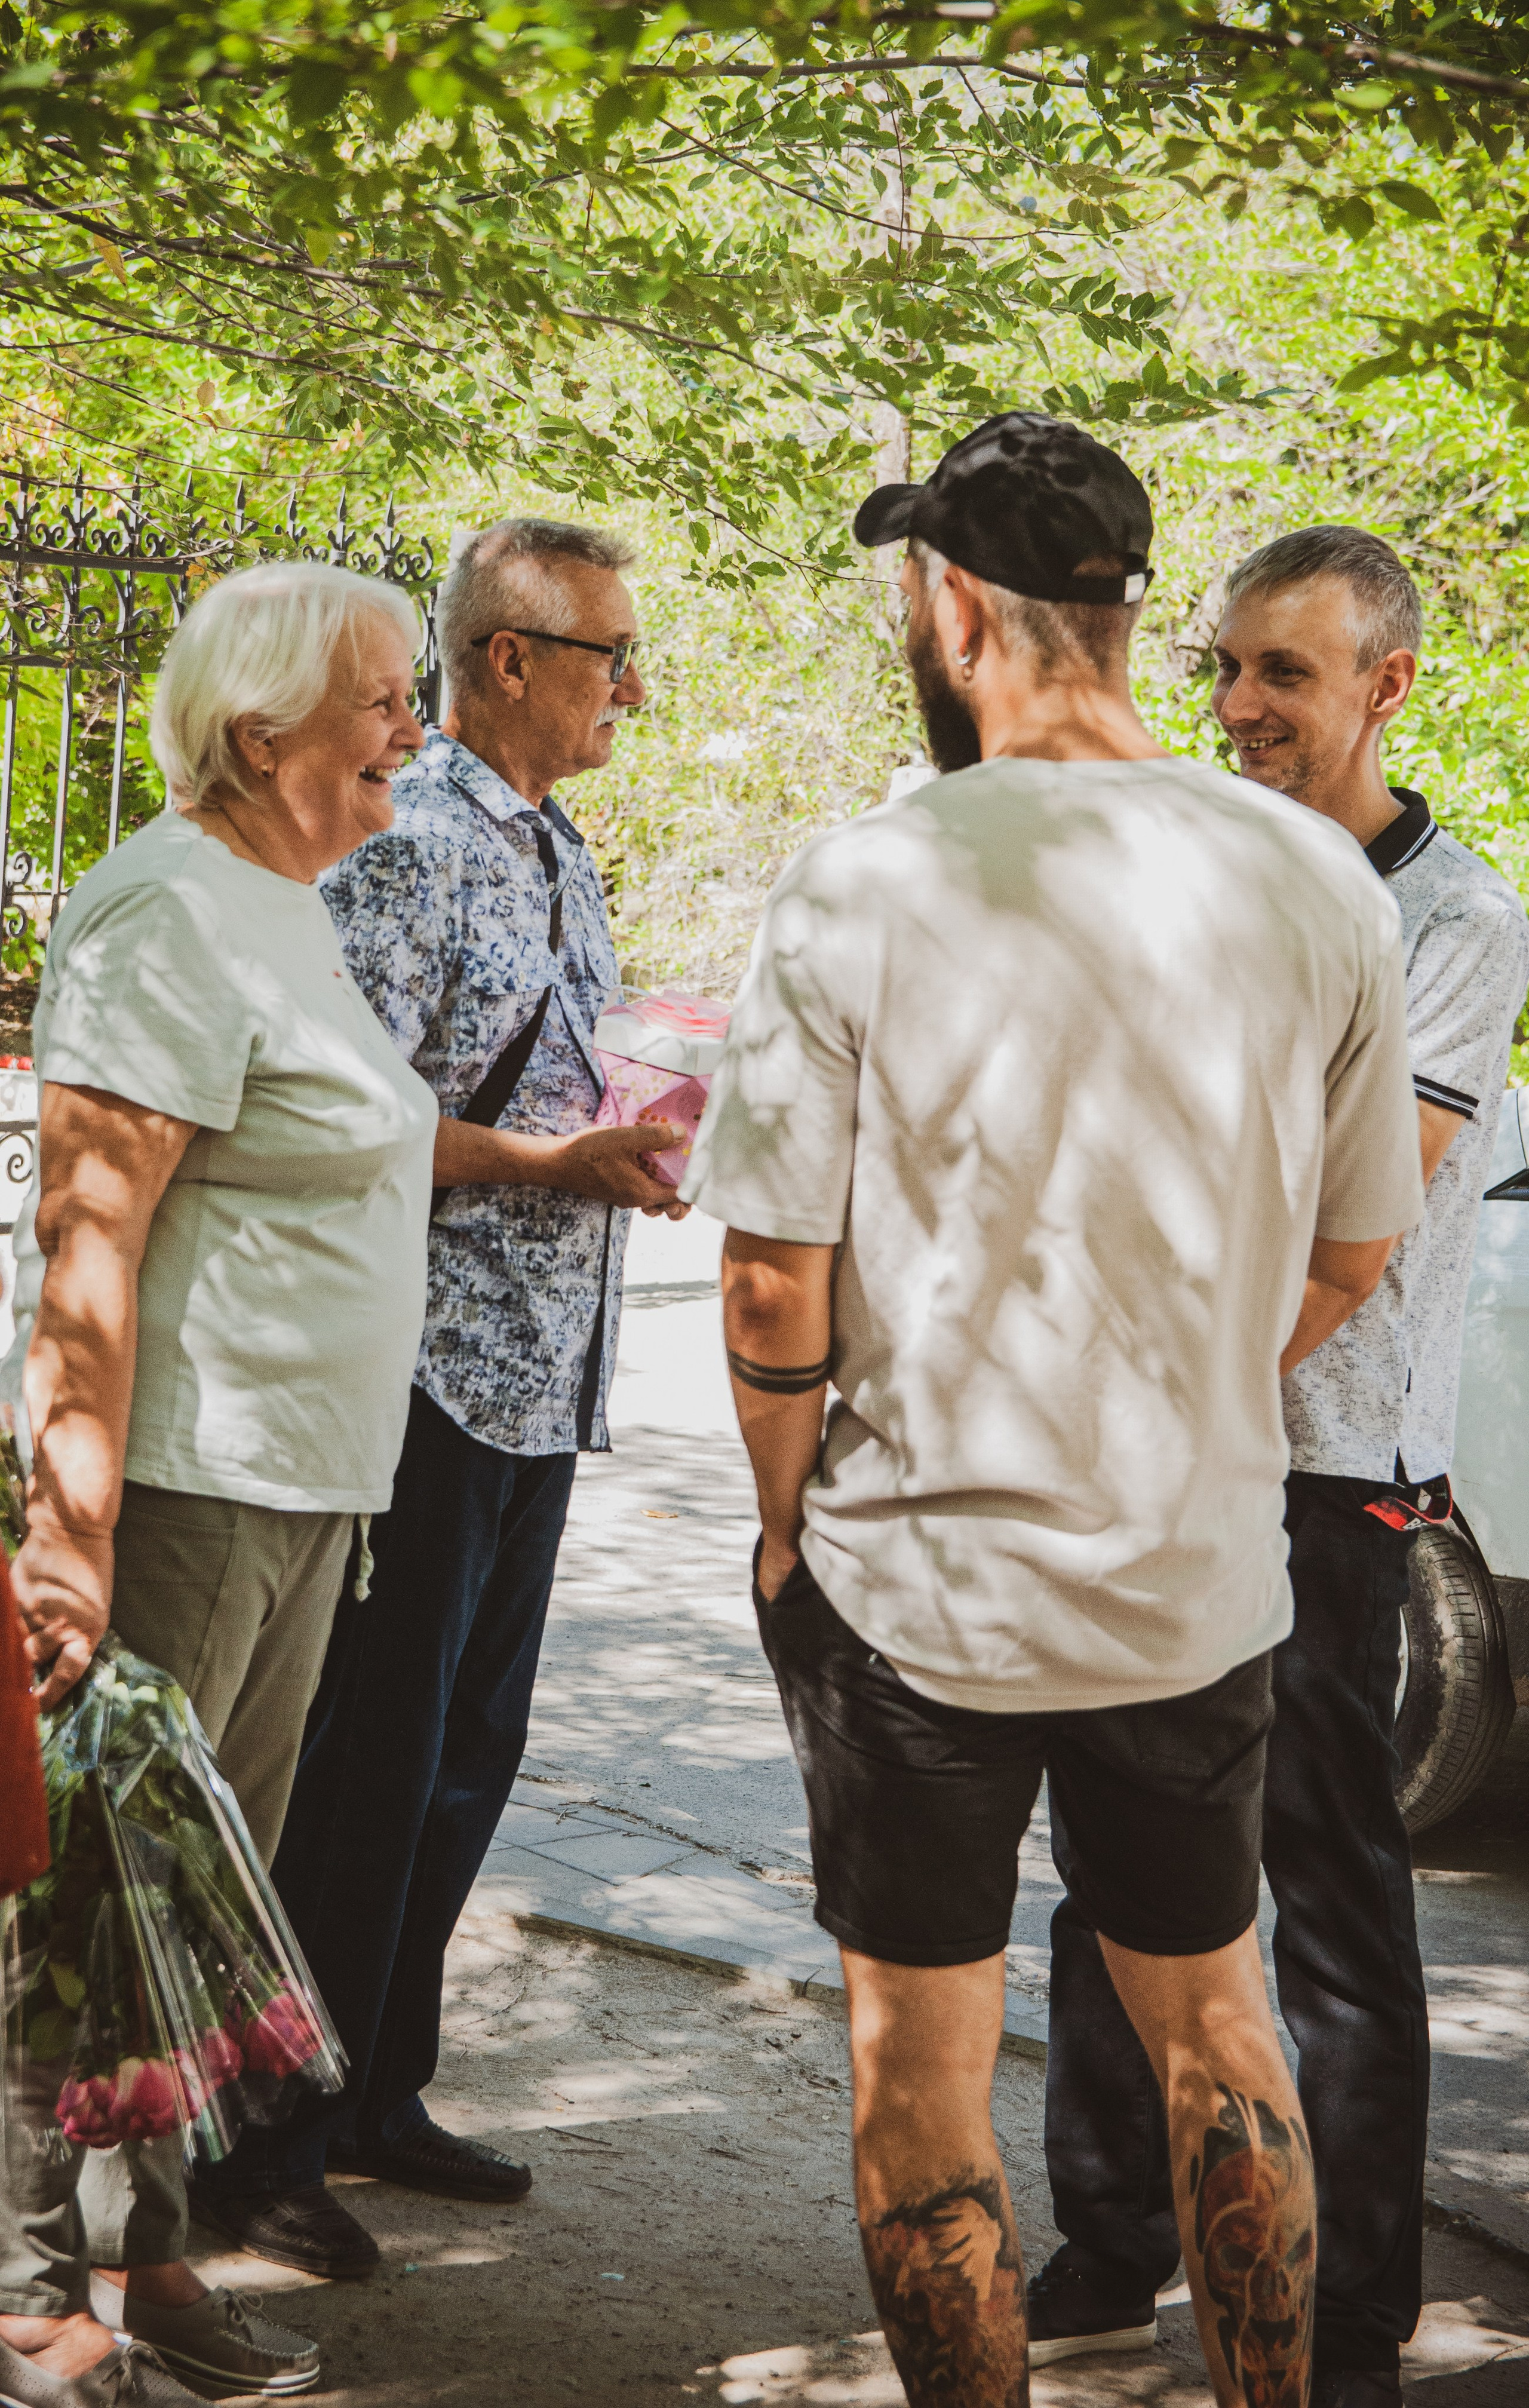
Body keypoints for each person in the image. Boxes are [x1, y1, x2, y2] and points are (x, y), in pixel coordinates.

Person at [681, 413, 1427, 2408]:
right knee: (1223, 2032)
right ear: (1120, 610)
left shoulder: (862, 881)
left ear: (951, 607)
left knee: (921, 2069)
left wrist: (783, 1514)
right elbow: (1361, 1247)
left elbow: (771, 1280)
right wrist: (1192, 1392)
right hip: (1189, 1577)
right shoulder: (1313, 878)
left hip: (915, 1592)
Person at [1031, 526, 1529, 2408]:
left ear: (1388, 686)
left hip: (1317, 1468)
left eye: (1286, 673)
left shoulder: (1455, 922)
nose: (1238, 705)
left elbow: (1357, 1220)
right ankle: (1111, 2242)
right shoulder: (1192, 873)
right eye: (1226, 665)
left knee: (1321, 1888)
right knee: (1115, 1862)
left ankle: (1360, 2303)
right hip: (1154, 1438)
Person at [192, 517, 687, 2278]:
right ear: (510, 659)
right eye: (610, 653)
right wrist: (552, 1164)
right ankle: (265, 2140)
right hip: (418, 1375)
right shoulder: (404, 849)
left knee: (470, 1760)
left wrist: (623, 1129)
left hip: (542, 1378)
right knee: (365, 1775)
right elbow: (346, 1115)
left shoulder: (557, 844)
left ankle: (378, 2091)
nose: (633, 687)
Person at [0, 562, 439, 2407]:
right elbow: (89, 1238)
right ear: (263, 738)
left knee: (192, 1911)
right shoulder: (166, 911)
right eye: (384, 699)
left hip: (297, 1492)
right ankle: (34, 2289)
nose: (413, 728)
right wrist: (70, 1532)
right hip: (181, 1492)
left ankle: (146, 2257)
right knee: (104, 1906)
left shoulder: (281, 902)